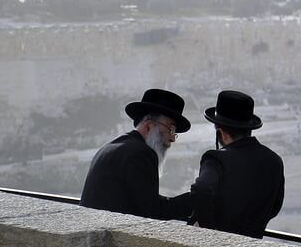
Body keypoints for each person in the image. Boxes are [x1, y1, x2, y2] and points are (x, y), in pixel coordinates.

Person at [80, 88, 193, 220]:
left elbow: (142, 198)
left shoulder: (111, 147)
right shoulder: (141, 153)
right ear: (149, 126)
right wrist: (195, 200)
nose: (173, 138)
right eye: (171, 129)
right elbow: (152, 210)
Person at [189, 90, 285, 238]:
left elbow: (201, 189)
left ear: (221, 133)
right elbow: (275, 207)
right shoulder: (274, 161)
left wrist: (209, 230)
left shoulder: (216, 159)